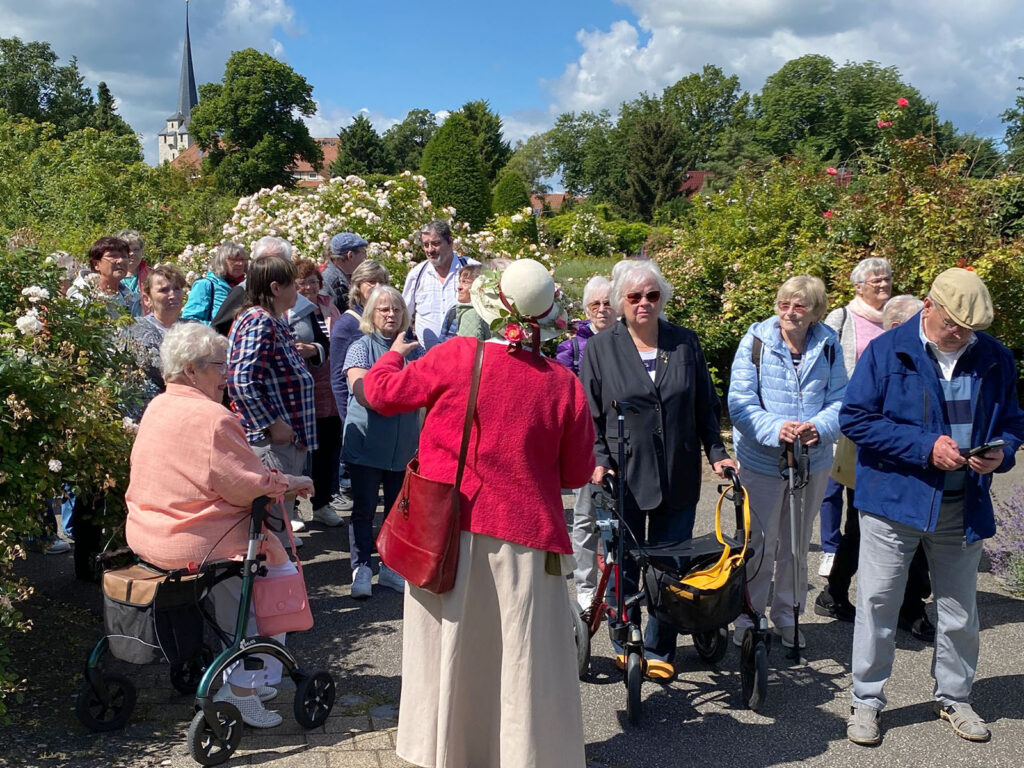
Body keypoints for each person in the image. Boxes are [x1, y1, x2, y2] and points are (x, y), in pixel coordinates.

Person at [363, 258, 595, 768]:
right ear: (547, 316)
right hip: (527, 538)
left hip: (445, 532)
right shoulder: (562, 384)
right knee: (520, 658)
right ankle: (520, 755)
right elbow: (577, 473)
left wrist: (391, 358)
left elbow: (381, 395)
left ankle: (446, 751)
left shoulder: (455, 356)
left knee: (450, 650)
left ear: (489, 305)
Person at [841, 268, 1024, 746]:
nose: (961, 335)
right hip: (893, 502)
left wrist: (1001, 450)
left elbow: (1012, 421)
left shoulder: (995, 357)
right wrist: (925, 447)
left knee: (959, 608)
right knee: (879, 603)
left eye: (970, 329)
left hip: (962, 504)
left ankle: (955, 697)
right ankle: (866, 700)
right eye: (952, 325)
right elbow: (856, 420)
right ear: (929, 305)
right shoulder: (887, 349)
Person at [125, 323, 314, 728]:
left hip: (147, 534)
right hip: (194, 542)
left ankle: (253, 676)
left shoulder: (157, 405)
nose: (226, 374)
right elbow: (248, 486)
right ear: (192, 370)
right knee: (275, 578)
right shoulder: (214, 418)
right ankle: (245, 688)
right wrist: (292, 482)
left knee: (241, 573)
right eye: (218, 366)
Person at [581, 261, 734, 679]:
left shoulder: (684, 343)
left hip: (678, 470)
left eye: (652, 295)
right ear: (620, 302)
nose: (644, 303)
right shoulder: (600, 349)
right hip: (623, 472)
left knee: (670, 566)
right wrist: (598, 459)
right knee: (625, 561)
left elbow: (705, 404)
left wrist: (717, 451)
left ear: (662, 298)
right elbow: (590, 414)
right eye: (634, 297)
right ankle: (624, 640)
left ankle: (659, 647)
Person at [728, 275, 847, 651]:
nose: (790, 313)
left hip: (812, 460)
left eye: (800, 306)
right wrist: (776, 428)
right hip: (763, 459)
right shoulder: (757, 341)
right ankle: (748, 616)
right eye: (784, 304)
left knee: (796, 544)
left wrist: (822, 427)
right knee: (759, 542)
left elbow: (843, 399)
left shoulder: (828, 343)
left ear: (815, 312)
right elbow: (740, 402)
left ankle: (788, 614)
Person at [815, 294, 935, 643]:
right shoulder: (883, 353)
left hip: (905, 457)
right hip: (870, 458)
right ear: (898, 326)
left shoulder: (921, 353)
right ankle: (840, 594)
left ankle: (907, 606)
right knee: (861, 528)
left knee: (905, 530)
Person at [227, 250, 316, 554]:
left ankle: (276, 589)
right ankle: (271, 594)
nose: (298, 289)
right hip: (271, 443)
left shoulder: (268, 320)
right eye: (292, 283)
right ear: (276, 288)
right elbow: (240, 380)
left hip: (281, 440)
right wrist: (271, 423)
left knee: (277, 524)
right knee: (272, 527)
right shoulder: (259, 321)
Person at [342, 286, 424, 599]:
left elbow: (426, 392)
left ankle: (390, 567)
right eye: (384, 310)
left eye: (397, 309)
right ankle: (361, 566)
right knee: (363, 509)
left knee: (396, 510)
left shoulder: (416, 350)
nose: (391, 315)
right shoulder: (360, 346)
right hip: (366, 444)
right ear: (371, 314)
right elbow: (366, 395)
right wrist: (394, 360)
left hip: (402, 446)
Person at [817, 258, 892, 578]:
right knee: (834, 483)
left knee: (868, 482)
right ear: (859, 287)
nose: (883, 283)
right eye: (876, 280)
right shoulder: (842, 316)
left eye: (886, 278)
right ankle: (831, 549)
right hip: (845, 409)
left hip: (883, 414)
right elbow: (822, 361)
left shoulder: (897, 317)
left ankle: (866, 545)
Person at [556, 275, 614, 615]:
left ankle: (619, 586)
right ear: (586, 309)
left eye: (608, 303)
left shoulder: (630, 341)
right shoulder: (572, 347)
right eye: (596, 304)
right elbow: (565, 393)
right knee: (584, 519)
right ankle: (586, 589)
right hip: (585, 443)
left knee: (619, 520)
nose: (603, 310)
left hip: (622, 442)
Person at [329, 259, 390, 512]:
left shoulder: (390, 315)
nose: (377, 286)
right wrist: (347, 418)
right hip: (359, 410)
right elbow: (337, 378)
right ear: (357, 286)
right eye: (370, 282)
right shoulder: (347, 323)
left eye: (381, 281)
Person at [288, 259, 344, 529]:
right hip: (301, 390)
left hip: (328, 386)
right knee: (299, 452)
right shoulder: (290, 310)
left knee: (328, 446)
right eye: (302, 283)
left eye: (313, 281)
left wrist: (316, 349)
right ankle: (295, 508)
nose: (309, 287)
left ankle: (322, 503)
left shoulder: (327, 305)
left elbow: (334, 340)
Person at [210, 236, 315, 335]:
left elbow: (322, 340)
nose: (273, 267)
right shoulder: (248, 299)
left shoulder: (293, 295)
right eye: (268, 262)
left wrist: (314, 349)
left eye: (279, 262)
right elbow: (217, 331)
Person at [402, 220, 473, 349]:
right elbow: (403, 315)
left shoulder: (472, 270)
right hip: (427, 359)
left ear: (450, 242)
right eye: (426, 245)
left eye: (435, 244)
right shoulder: (417, 275)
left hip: (465, 356)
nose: (430, 250)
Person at [128, 264, 189, 406]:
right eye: (164, 290)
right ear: (147, 299)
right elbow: (160, 371)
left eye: (177, 289)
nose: (173, 295)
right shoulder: (136, 329)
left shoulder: (193, 328)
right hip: (154, 405)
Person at [67, 236, 142, 317]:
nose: (120, 260)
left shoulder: (131, 299)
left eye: (124, 256)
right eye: (113, 256)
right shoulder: (82, 295)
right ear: (96, 264)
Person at [180, 242, 249, 324]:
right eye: (234, 260)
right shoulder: (205, 285)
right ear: (222, 261)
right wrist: (218, 328)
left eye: (242, 260)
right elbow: (189, 321)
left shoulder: (247, 287)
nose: (240, 264)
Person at [438, 263, 487, 341]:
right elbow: (442, 342)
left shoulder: (489, 313)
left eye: (465, 282)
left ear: (479, 286)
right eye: (460, 282)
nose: (459, 287)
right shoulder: (454, 311)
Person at [322, 232, 368, 312]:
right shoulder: (330, 283)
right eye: (363, 252)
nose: (365, 257)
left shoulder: (349, 278)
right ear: (350, 255)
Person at [116, 229, 149, 297]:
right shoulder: (111, 276)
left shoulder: (151, 275)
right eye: (128, 250)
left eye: (136, 250)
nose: (132, 253)